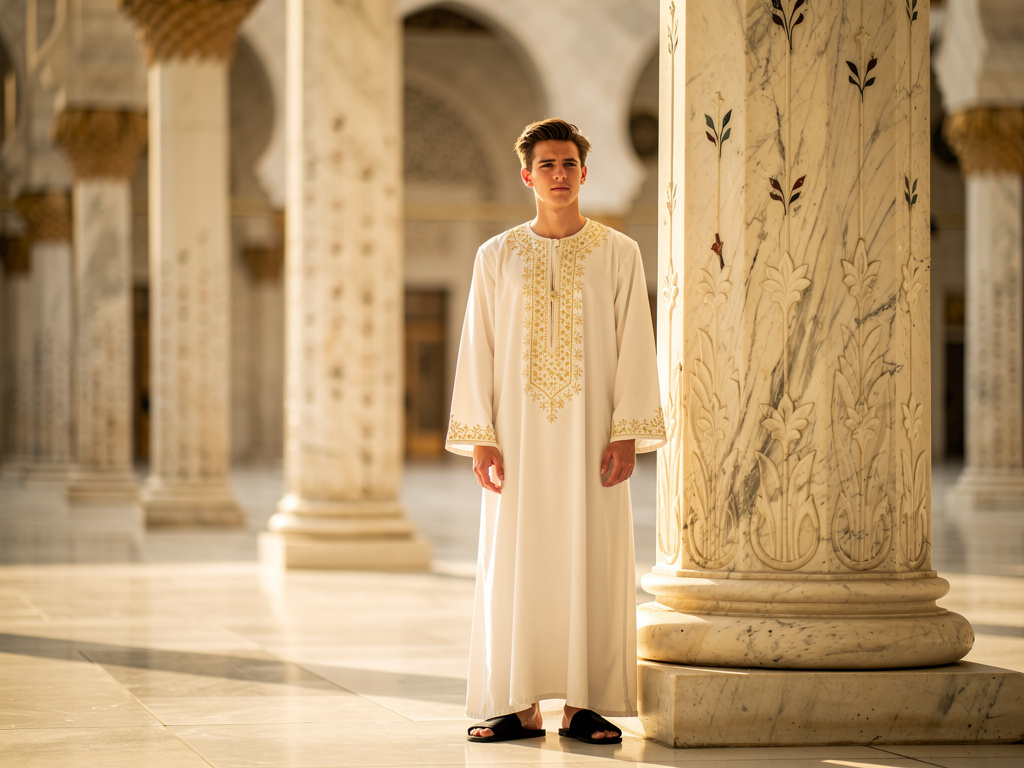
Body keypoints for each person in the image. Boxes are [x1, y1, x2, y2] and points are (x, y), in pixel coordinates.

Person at [445, 118, 665, 746]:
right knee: (515, 559)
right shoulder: (497, 256)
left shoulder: (620, 253)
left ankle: (585, 704)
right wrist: (481, 434)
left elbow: (634, 346)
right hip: (515, 441)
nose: (560, 175)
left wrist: (627, 430)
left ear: (586, 173)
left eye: (569, 164)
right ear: (527, 176)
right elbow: (478, 349)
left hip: (593, 439)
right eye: (548, 165)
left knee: (591, 556)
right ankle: (516, 706)